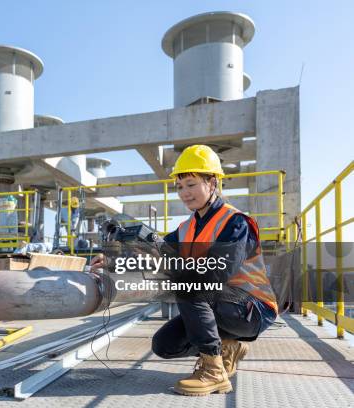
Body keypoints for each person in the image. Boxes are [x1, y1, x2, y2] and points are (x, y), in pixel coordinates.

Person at [90, 145, 277, 396]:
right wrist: (114, 260)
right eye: (180, 187)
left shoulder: (235, 222)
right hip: (221, 305)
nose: (184, 193)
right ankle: (229, 348)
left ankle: (214, 370)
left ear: (212, 183)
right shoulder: (187, 227)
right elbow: (152, 256)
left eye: (191, 184)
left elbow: (215, 273)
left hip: (252, 308)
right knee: (164, 344)